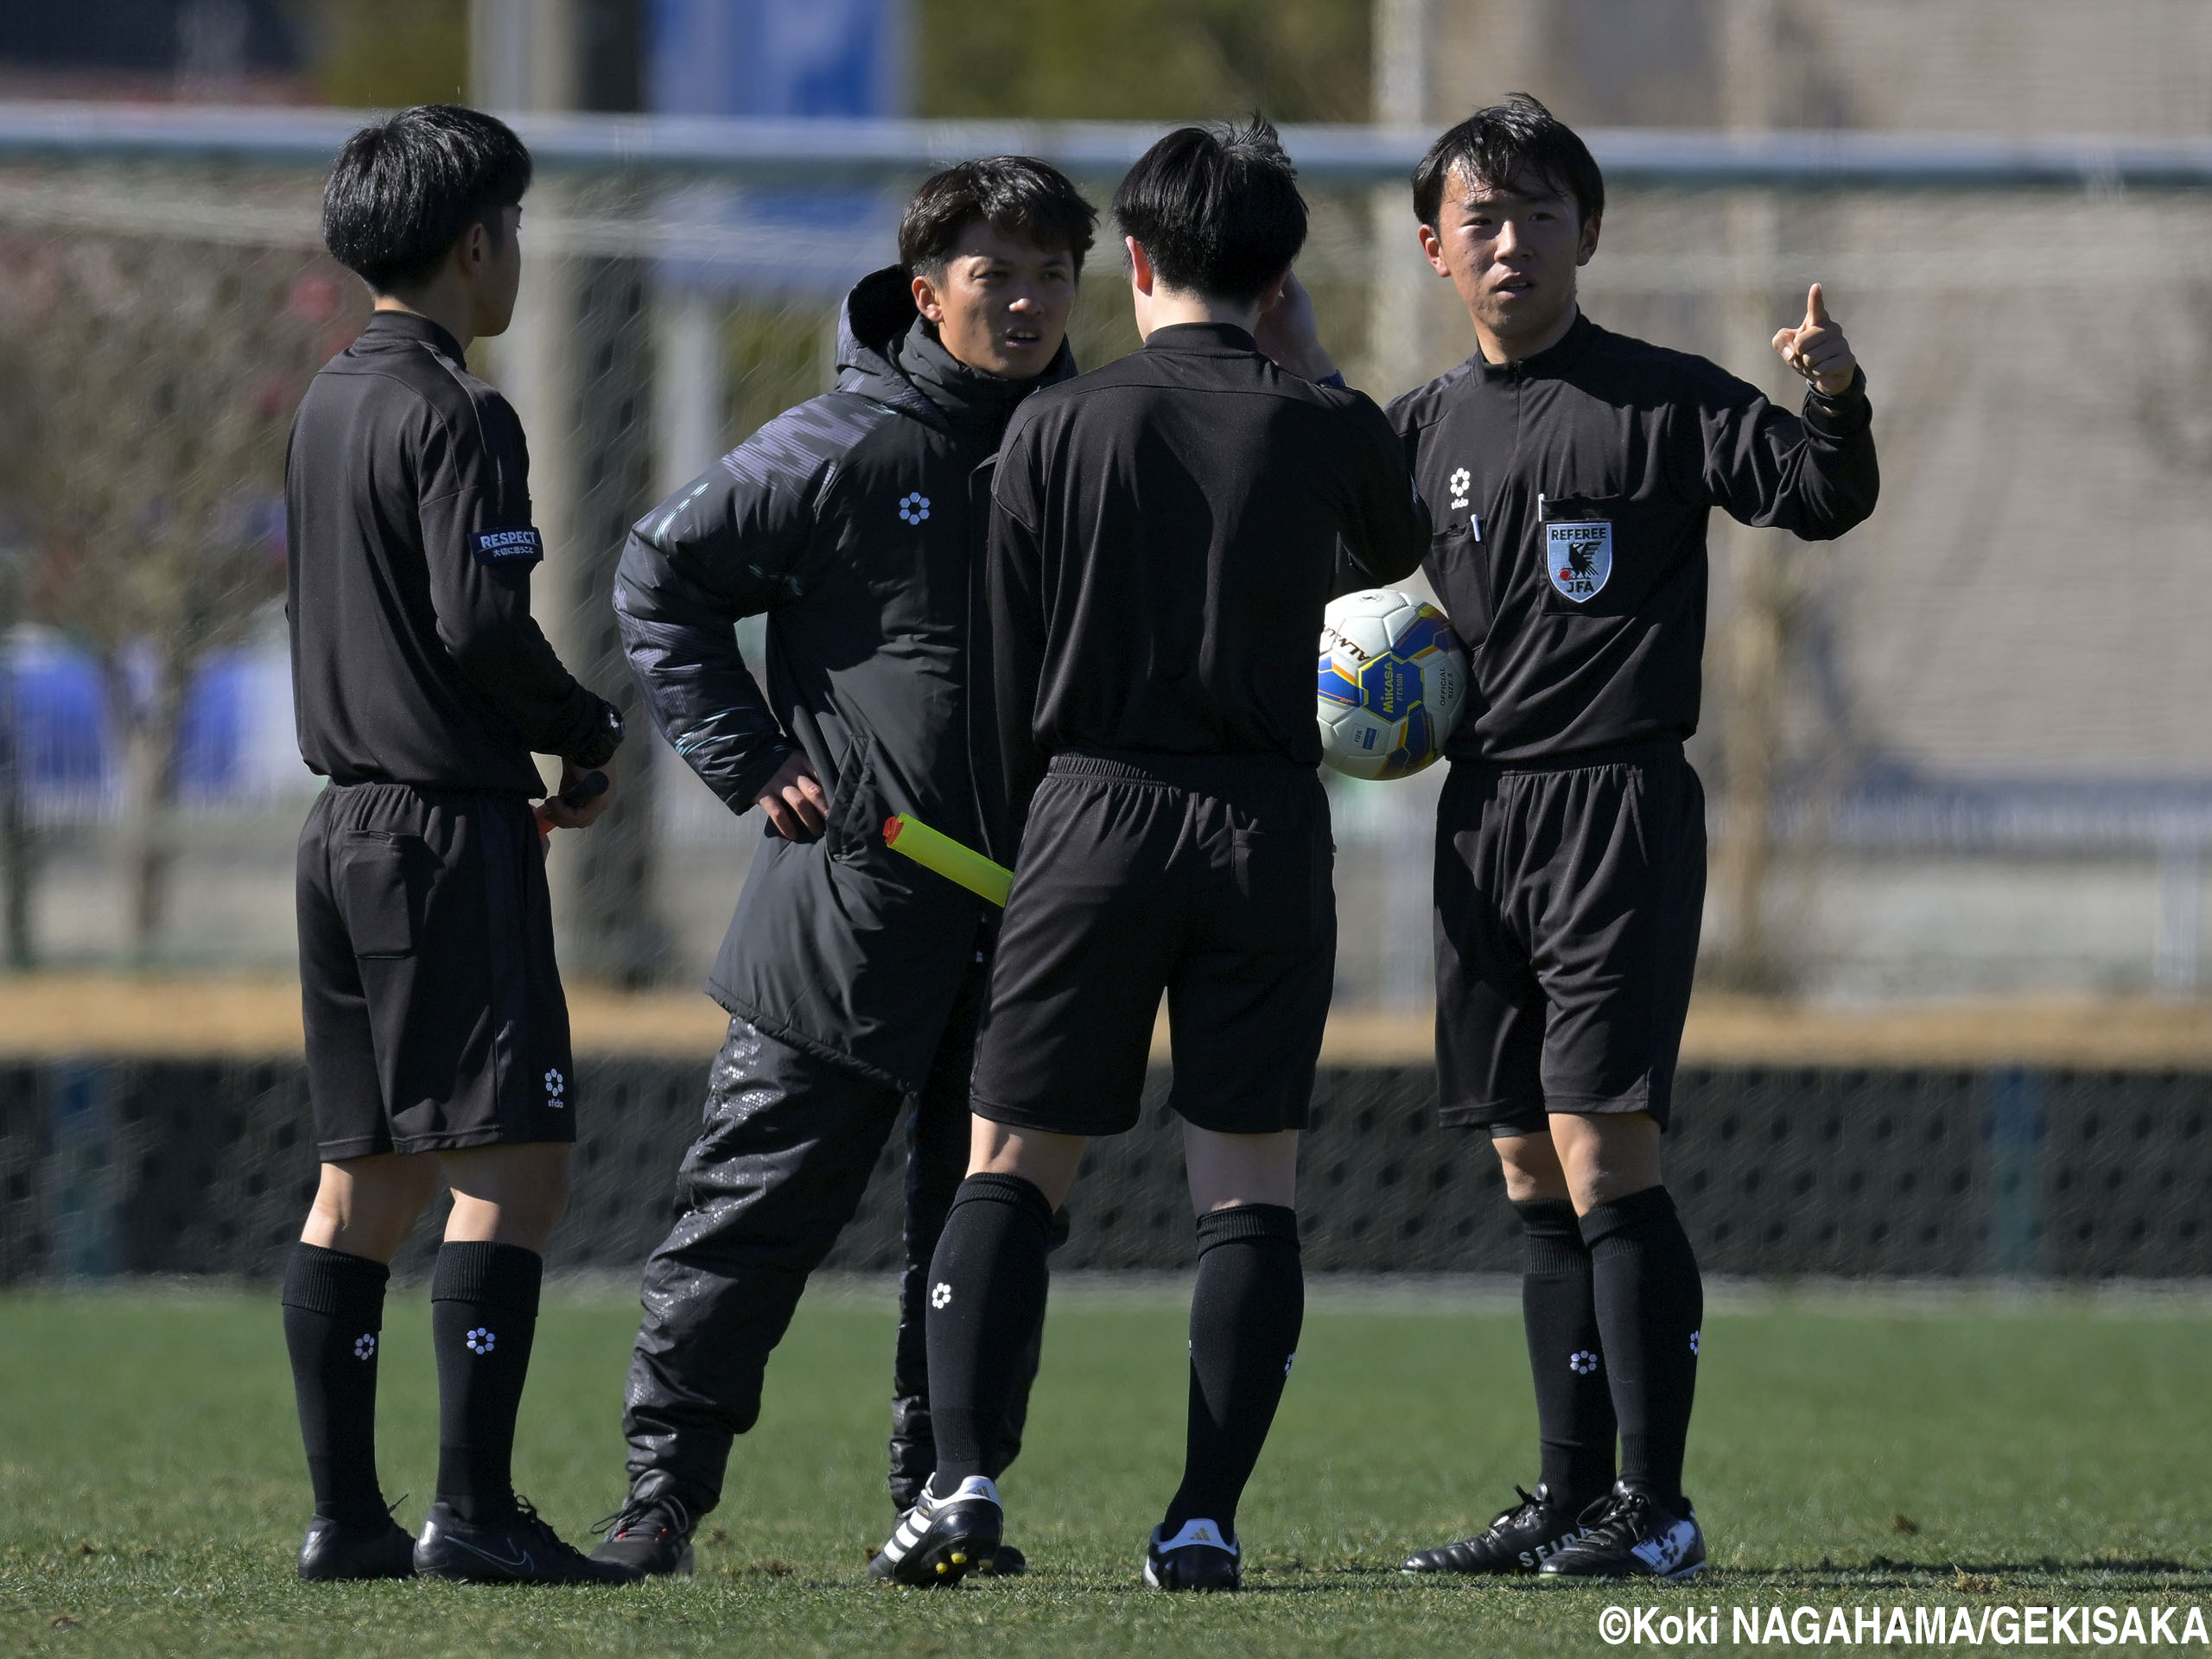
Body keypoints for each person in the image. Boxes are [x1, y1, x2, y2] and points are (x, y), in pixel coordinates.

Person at [874, 119, 1431, 1593]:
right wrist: (1300, 364)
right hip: (1264, 820)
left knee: (1012, 1162)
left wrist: (1029, 838)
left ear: (1129, 261)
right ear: (1281, 272)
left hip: (1090, 815)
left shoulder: (1056, 427)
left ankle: (963, 1480)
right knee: (1249, 1188)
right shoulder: (1332, 426)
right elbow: (1389, 589)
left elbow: (998, 684)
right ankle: (1201, 1517)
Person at [1389, 95, 1878, 1582]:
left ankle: (1658, 1510)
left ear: (1587, 234)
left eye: (1541, 212)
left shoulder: (1662, 399)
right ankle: (1566, 1496)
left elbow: (1823, 496)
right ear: (1434, 250)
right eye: (1482, 218)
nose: (1512, 239)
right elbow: (1328, 561)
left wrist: (1839, 395)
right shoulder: (1419, 428)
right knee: (1531, 1163)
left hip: (1616, 811)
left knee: (1606, 1149)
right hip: (1481, 816)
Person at [592, 157, 1098, 1579]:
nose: (1030, 300)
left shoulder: (1094, 442)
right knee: (749, 1216)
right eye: (999, 274)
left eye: (1055, 273)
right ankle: (658, 1502)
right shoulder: (842, 447)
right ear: (928, 292)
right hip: (847, 915)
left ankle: (947, 1502)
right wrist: (749, 760)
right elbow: (657, 574)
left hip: (1036, 926)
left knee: (987, 1237)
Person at [281, 105, 632, 1586]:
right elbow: (481, 622)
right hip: (439, 831)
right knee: (518, 1169)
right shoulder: (459, 411)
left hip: (339, 827)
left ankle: (346, 1521)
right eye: (520, 231)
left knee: (362, 1182)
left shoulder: (324, 403)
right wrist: (584, 728)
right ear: (479, 240)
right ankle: (472, 1517)